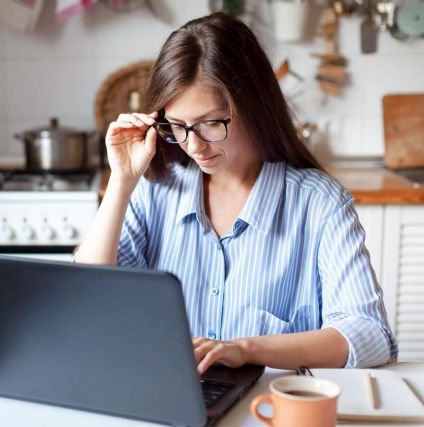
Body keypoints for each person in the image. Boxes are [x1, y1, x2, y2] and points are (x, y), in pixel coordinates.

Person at [74, 12, 397, 373]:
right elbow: (88, 297)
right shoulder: (155, 190)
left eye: (210, 123)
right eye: (177, 126)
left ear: (253, 106)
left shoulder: (320, 203)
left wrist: (244, 349)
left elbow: (370, 335)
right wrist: (121, 182)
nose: (193, 145)